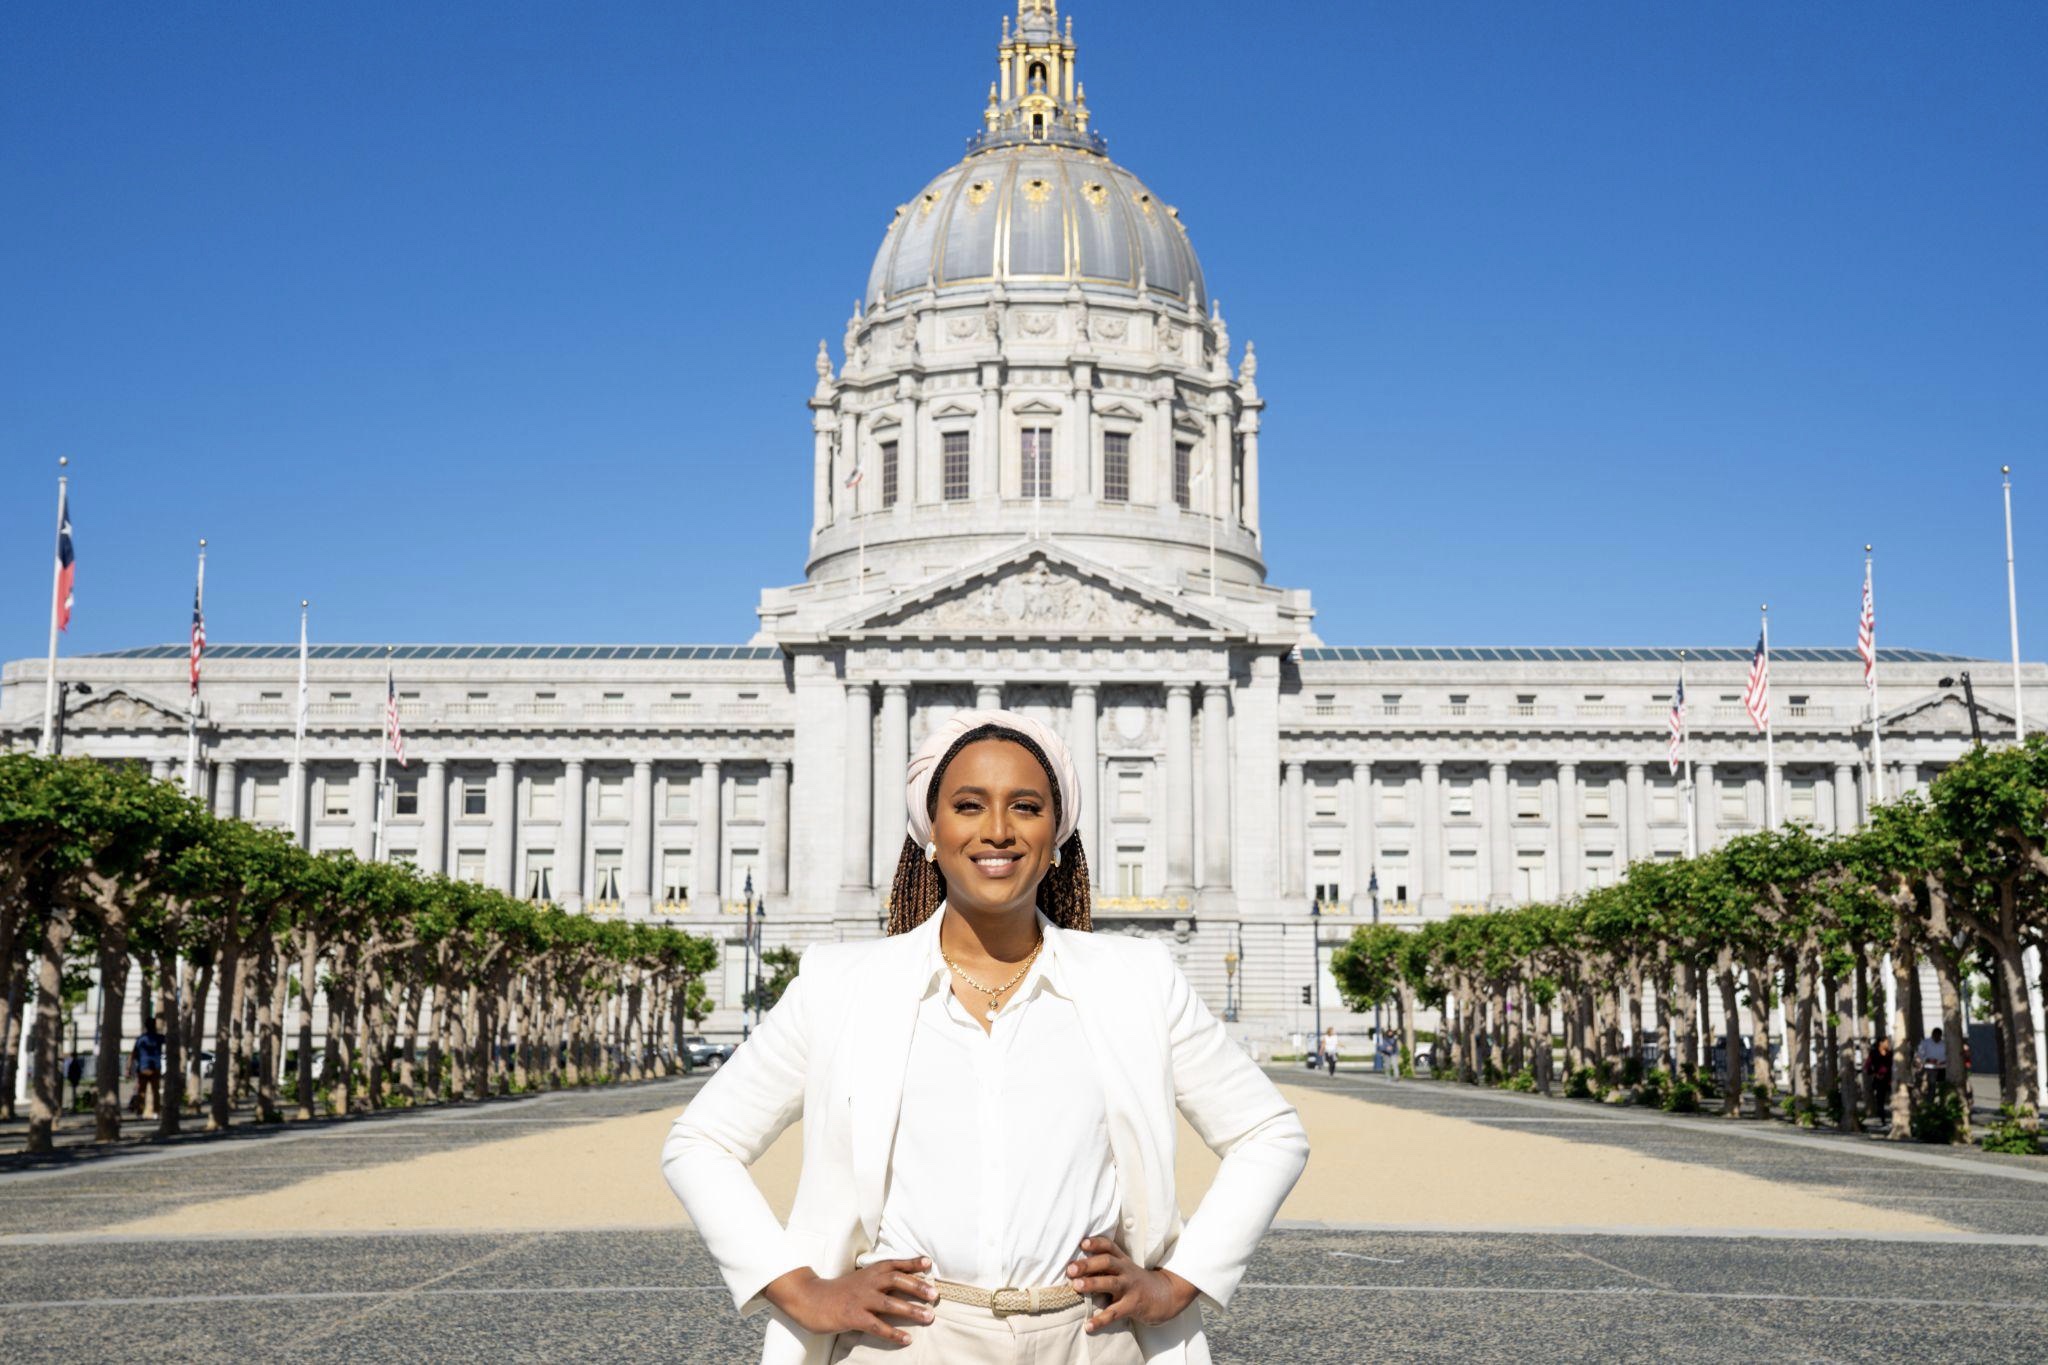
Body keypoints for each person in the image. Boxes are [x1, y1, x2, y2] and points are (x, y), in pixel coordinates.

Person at [662, 709, 1309, 1365]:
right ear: (930, 831)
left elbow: (1269, 1132)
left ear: (1056, 835)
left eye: (1025, 806)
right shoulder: (840, 986)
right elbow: (701, 1141)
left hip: (1087, 1339)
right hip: (908, 1340)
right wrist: (799, 1288)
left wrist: (1179, 1280)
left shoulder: (1137, 981)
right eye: (968, 805)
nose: (997, 829)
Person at [130, 1016, 166, 1119]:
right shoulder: (158, 1037)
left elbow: (134, 1053)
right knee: (155, 1091)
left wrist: (130, 1067)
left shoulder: (141, 1038)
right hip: (155, 1067)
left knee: (142, 1091)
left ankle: (140, 1113)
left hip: (143, 1068)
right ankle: (156, 1113)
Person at [1864, 1036, 1893, 1120]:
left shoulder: (1890, 1053)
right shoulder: (1874, 1053)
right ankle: (1882, 1117)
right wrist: (1874, 1074)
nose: (1888, 1044)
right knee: (1880, 1099)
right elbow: (1867, 1066)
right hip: (1879, 1079)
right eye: (1886, 1042)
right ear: (1881, 1043)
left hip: (1890, 1078)